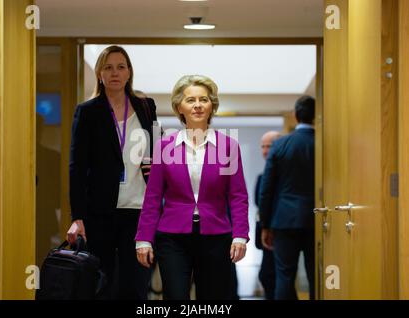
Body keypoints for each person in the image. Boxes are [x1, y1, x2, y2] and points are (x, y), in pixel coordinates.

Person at [135, 75, 249, 300]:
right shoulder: (164, 147)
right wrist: (144, 238)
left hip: (216, 237)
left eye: (203, 99)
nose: (197, 105)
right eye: (190, 100)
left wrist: (240, 235)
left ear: (212, 105)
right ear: (180, 107)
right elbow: (153, 197)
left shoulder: (228, 147)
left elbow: (237, 196)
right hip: (172, 238)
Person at [66, 45, 158, 300]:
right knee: (102, 283)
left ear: (129, 73)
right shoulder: (87, 111)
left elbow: (157, 152)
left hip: (139, 209)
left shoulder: (146, 107)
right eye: (108, 67)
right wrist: (78, 216)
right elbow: (77, 166)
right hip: (100, 210)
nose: (115, 72)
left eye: (121, 67)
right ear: (99, 74)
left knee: (136, 284)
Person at [259, 95, 315, 300]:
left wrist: (265, 224)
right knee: (317, 275)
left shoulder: (280, 145)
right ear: (315, 116)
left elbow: (267, 188)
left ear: (295, 115)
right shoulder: (324, 144)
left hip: (284, 220)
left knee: (284, 275)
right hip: (317, 218)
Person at [254, 130, 281, 300]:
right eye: (262, 146)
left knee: (271, 276)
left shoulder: (283, 175)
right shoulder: (262, 176)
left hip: (278, 231)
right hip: (266, 232)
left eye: (269, 146)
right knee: (267, 276)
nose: (265, 151)